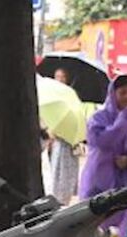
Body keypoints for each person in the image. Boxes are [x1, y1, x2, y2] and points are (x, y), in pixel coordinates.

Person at [80, 75, 127, 237]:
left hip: (125, 182)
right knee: (94, 223)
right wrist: (125, 118)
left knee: (120, 231)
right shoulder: (98, 118)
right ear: (113, 94)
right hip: (99, 179)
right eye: (122, 93)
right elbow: (103, 141)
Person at [47, 68, 80, 204]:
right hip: (56, 144)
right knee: (56, 178)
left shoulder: (71, 97)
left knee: (65, 180)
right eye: (57, 77)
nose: (59, 80)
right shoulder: (52, 96)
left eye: (62, 77)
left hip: (68, 143)